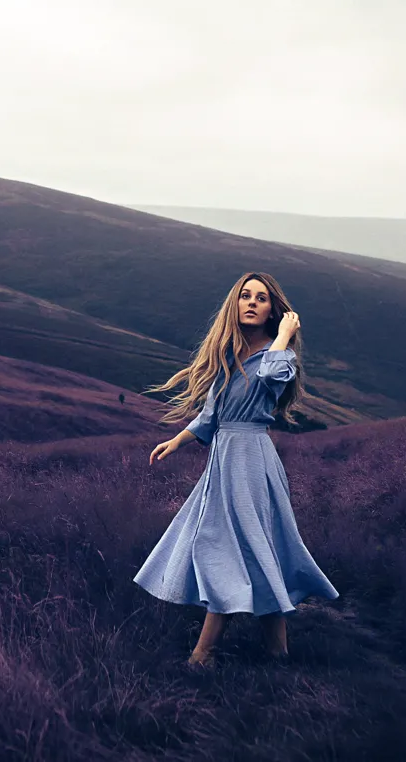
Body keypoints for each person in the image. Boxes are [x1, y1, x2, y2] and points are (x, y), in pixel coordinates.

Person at [134, 271, 340, 668]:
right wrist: (178, 440)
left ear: (272, 311)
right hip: (223, 461)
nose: (250, 302)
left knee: (231, 550)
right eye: (245, 296)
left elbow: (271, 379)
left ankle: (203, 654)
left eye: (261, 298)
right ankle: (278, 653)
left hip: (251, 460)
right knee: (251, 550)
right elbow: (211, 417)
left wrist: (283, 336)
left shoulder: (280, 357)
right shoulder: (228, 356)